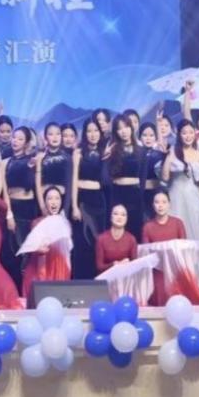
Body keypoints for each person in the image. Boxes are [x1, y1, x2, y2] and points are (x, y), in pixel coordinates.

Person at [158, 119, 199, 286]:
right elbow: (165, 177)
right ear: (179, 135)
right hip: (175, 196)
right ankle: (178, 282)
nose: (188, 136)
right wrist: (169, 157)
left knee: (196, 236)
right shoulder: (173, 152)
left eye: (191, 132)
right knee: (175, 239)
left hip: (194, 198)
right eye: (184, 133)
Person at [1, 126, 39, 289]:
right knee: (12, 251)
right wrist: (9, 213)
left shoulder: (33, 160)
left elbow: (37, 187)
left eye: (20, 139)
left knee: (28, 252)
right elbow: (5, 190)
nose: (15, 141)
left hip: (28, 208)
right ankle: (14, 289)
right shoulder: (5, 162)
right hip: (13, 208)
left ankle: (27, 290)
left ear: (26, 143)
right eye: (14, 137)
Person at [71, 118, 108, 279]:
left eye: (96, 131)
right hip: (82, 199)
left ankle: (97, 279)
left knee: (97, 241)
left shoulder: (104, 152)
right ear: (85, 134)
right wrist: (74, 206)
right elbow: (74, 180)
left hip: (98, 201)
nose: (93, 134)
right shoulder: (78, 153)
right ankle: (81, 279)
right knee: (81, 241)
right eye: (89, 131)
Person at [21, 185, 71, 298]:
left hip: (59, 266)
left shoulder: (65, 223)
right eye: (50, 198)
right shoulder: (37, 223)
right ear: (45, 202)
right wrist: (39, 249)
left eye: (57, 198)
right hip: (40, 266)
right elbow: (33, 248)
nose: (54, 202)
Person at [142, 190, 190, 304]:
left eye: (164, 202)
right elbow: (146, 253)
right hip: (157, 271)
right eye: (157, 202)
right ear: (153, 205)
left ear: (169, 204)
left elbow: (184, 249)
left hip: (176, 269)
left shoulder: (178, 223)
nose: (160, 205)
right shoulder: (147, 227)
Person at [105, 115, 144, 241]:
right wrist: (105, 157)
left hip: (135, 195)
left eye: (126, 127)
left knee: (135, 230)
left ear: (131, 128)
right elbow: (105, 177)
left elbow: (143, 177)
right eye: (119, 128)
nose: (124, 131)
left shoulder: (141, 150)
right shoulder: (112, 150)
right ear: (116, 132)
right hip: (117, 194)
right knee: (117, 231)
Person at [95, 204, 138, 273]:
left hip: (125, 277)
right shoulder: (101, 239)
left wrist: (127, 264)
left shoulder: (131, 239)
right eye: (116, 214)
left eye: (123, 215)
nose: (119, 217)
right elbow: (99, 267)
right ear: (110, 217)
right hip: (107, 277)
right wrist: (114, 264)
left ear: (126, 219)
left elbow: (135, 266)